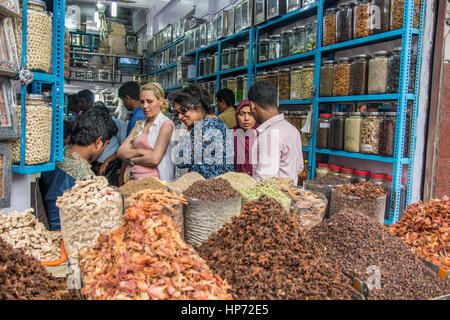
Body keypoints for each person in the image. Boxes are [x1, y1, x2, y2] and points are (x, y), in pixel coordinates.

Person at [39, 109, 118, 231]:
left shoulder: (56, 155)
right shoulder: (86, 178)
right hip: (64, 232)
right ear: (99, 142)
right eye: (106, 144)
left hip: (46, 224)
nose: (104, 149)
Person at [171, 84, 234, 178]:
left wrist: (188, 133)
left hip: (212, 187)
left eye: (184, 110)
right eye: (177, 113)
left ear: (198, 106)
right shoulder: (214, 121)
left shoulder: (206, 127)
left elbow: (181, 160)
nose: (180, 116)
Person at [117, 82, 175, 182]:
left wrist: (132, 158)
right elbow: (120, 152)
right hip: (134, 180)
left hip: (156, 182)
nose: (145, 106)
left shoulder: (166, 125)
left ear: (160, 101)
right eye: (142, 101)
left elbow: (154, 159)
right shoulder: (139, 124)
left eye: (149, 101)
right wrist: (141, 152)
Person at [248, 81, 303, 185]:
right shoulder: (292, 129)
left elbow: (265, 180)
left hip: (274, 199)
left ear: (252, 105)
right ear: (277, 103)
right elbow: (299, 167)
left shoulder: (269, 135)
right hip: (290, 194)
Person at [91, 101, 127, 186]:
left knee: (110, 188)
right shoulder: (97, 126)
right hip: (97, 164)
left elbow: (124, 149)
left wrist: (107, 161)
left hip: (112, 166)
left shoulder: (119, 125)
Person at [118, 81, 146, 185]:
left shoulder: (137, 118)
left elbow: (129, 148)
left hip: (136, 167)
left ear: (127, 98)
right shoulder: (140, 116)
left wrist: (121, 174)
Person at [232, 99, 259, 176]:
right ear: (237, 116)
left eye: (251, 114)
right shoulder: (230, 135)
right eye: (242, 114)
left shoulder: (262, 135)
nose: (246, 118)